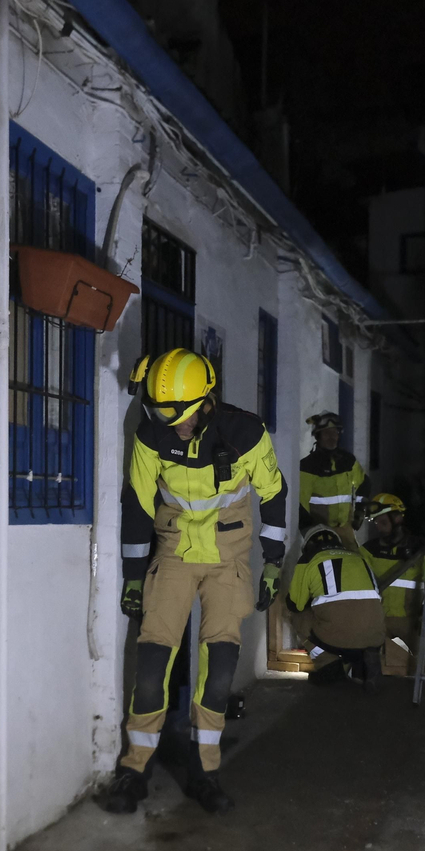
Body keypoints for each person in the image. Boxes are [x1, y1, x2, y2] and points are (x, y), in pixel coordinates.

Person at [101, 348, 287, 815]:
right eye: (163, 415)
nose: (173, 426)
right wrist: (133, 577)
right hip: (174, 556)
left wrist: (274, 561)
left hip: (228, 561)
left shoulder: (246, 433)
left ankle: (205, 772)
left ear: (207, 401)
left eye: (179, 416)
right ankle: (134, 771)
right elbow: (138, 503)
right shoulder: (152, 434)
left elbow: (274, 493)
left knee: (219, 669)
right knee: (151, 665)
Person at [286, 526, 387, 691]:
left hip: (337, 638)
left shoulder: (308, 559)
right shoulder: (359, 558)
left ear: (308, 546)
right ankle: (361, 664)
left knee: (297, 617)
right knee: (358, 620)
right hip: (376, 636)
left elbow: (295, 605)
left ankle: (328, 665)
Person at [361, 493, 425, 663]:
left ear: (397, 518)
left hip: (411, 620)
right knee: (368, 659)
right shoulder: (368, 551)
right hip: (380, 620)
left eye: (383, 522)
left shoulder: (420, 548)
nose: (379, 528)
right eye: (376, 523)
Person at [297, 411, 368, 550]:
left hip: (345, 531)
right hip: (321, 533)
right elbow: (301, 504)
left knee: (355, 561)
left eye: (335, 432)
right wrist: (310, 533)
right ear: (318, 436)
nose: (332, 437)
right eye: (327, 433)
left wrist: (360, 510)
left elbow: (364, 484)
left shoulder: (348, 461)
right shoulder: (308, 466)